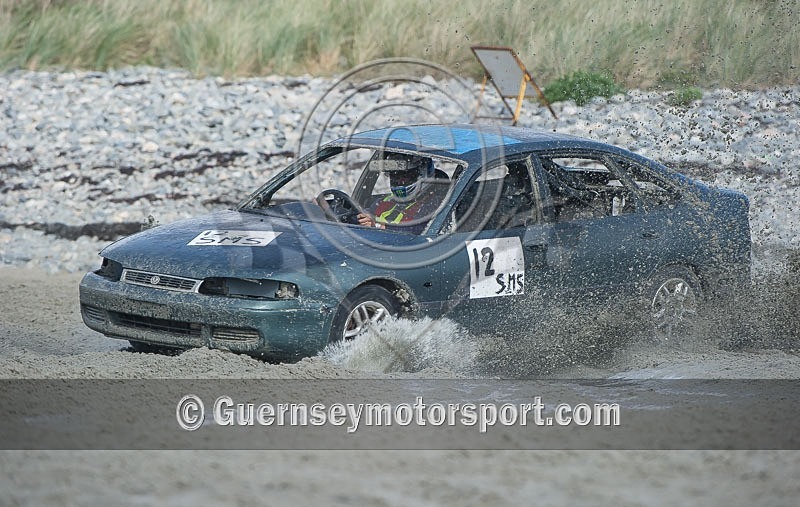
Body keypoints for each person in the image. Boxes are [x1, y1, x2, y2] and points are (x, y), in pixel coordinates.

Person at [357, 153, 442, 234]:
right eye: (395, 176)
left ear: (423, 174)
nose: (399, 181)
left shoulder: (433, 203)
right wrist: (360, 218)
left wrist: (378, 226)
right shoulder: (385, 201)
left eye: (405, 176)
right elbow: (364, 216)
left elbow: (417, 229)